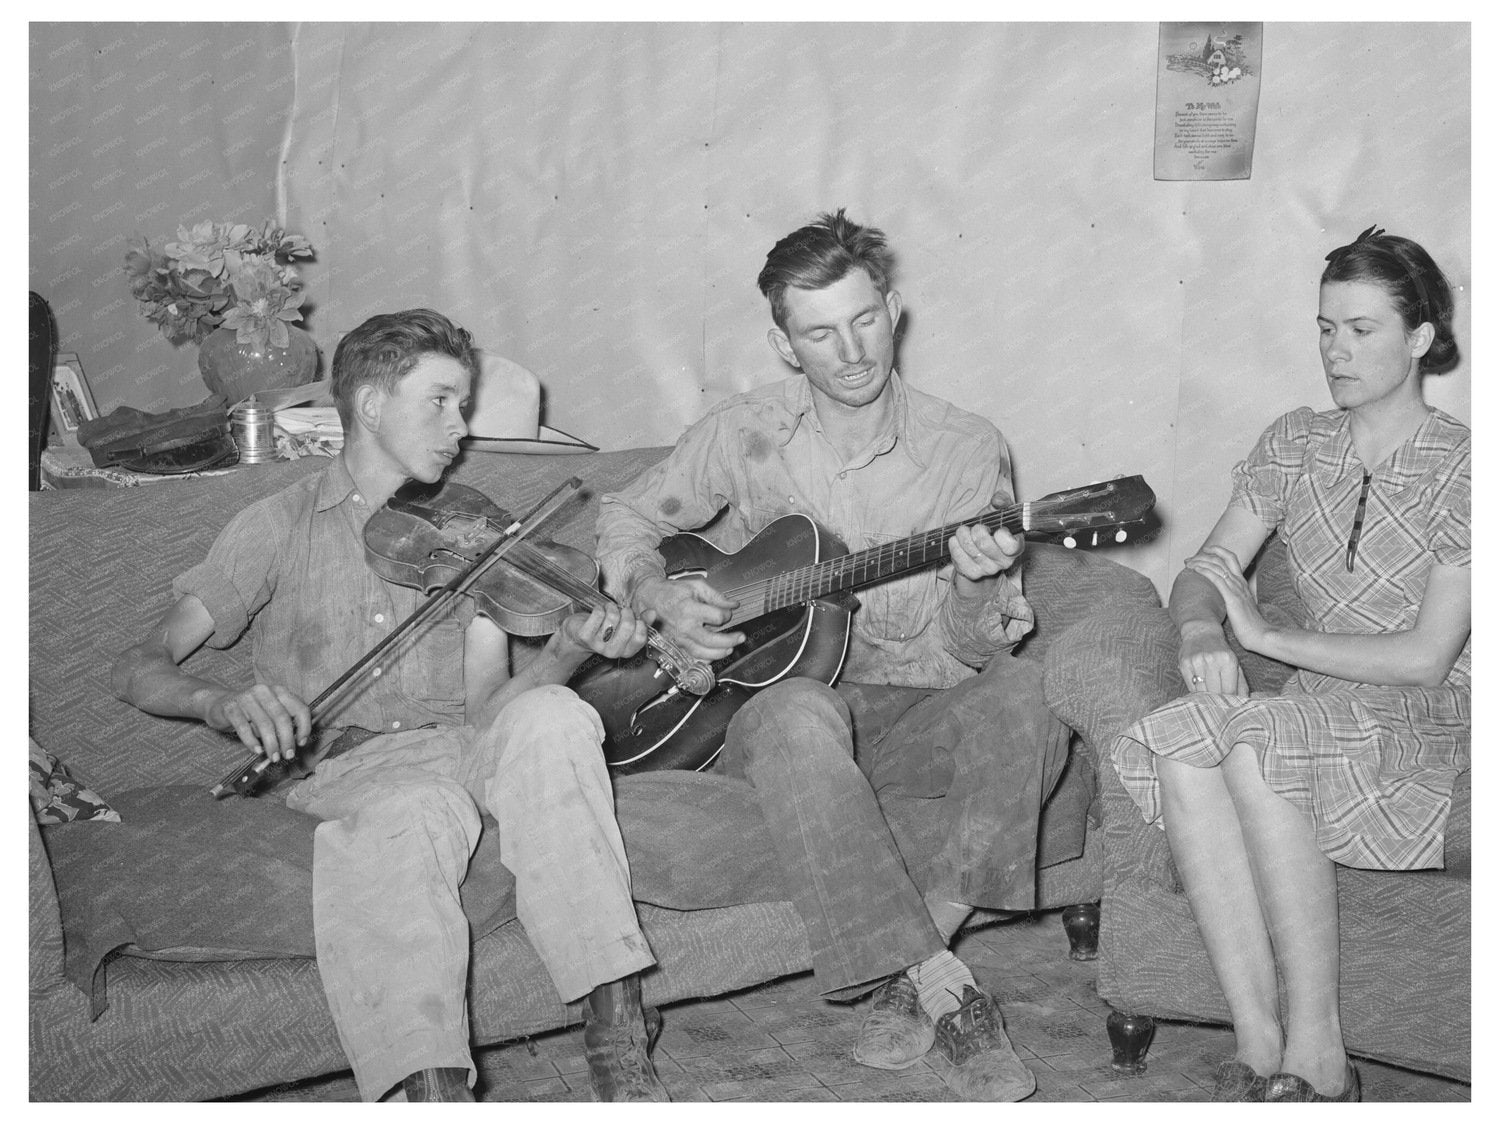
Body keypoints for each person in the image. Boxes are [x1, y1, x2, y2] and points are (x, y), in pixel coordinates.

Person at [112, 309, 670, 1103]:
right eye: (440, 400)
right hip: (350, 772)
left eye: (463, 404)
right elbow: (135, 665)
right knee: (416, 805)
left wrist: (567, 651)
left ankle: (617, 1032)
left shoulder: (473, 533)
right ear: (371, 404)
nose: (460, 426)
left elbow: (489, 714)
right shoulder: (278, 525)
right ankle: (430, 1095)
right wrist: (218, 701)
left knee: (557, 716)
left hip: (459, 747)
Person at [595, 210, 1072, 1101]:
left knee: (1030, 695)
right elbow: (626, 518)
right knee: (792, 709)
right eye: (820, 332)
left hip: (916, 699)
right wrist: (654, 591)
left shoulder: (967, 448)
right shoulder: (742, 432)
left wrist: (975, 587)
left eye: (865, 320)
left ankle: (907, 971)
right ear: (785, 345)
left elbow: (972, 648)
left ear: (893, 310)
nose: (851, 351)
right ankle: (947, 986)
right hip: (781, 709)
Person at [1110, 227, 1470, 1102]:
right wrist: (1199, 631)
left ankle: (1321, 1054)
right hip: (1314, 706)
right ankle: (1260, 1042)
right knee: (1181, 736)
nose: (1335, 352)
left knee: (1259, 738)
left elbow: (1426, 660)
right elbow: (1206, 568)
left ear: (1420, 338)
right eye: (1324, 329)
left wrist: (1264, 640)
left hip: (1421, 717)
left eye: (1361, 330)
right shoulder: (1297, 443)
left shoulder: (1467, 466)